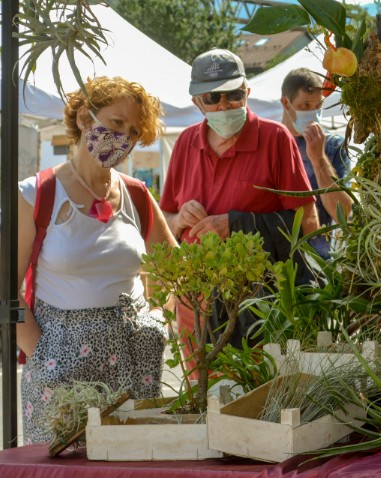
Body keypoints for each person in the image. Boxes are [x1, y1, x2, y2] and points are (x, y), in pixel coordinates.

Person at [17, 76, 178, 444]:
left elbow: (177, 269)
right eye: (116, 123)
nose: (124, 137)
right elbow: (3, 288)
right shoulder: (37, 193)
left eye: (134, 131)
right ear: (84, 119)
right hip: (57, 366)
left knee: (130, 476)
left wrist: (156, 319)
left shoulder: (136, 194)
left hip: (133, 363)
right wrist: (39, 352)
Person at [160, 48, 319, 373]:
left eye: (233, 95)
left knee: (255, 402)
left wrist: (237, 225)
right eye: (213, 98)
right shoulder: (186, 143)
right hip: (197, 299)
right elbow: (165, 220)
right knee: (202, 399)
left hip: (259, 303)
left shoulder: (276, 139)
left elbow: (309, 224)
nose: (224, 105)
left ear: (247, 92)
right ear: (197, 102)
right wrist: (178, 219)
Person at [280, 68, 352, 258]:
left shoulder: (333, 147)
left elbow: (344, 215)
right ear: (286, 103)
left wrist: (319, 160)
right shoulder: (269, 144)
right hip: (275, 260)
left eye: (317, 106)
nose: (312, 113)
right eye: (305, 105)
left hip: (320, 263)